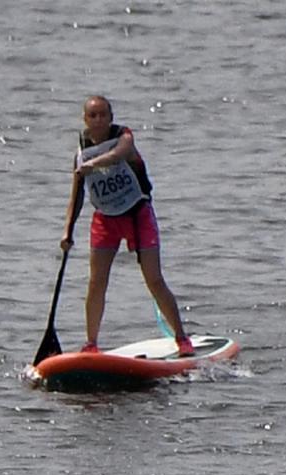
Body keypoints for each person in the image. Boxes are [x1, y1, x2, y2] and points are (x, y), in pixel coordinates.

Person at [60, 95, 193, 356]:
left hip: (137, 213)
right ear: (85, 120)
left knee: (154, 279)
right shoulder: (80, 154)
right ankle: (91, 344)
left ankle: (181, 337)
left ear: (111, 117)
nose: (98, 120)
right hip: (105, 219)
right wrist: (67, 231)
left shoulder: (125, 138)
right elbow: (76, 197)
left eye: (103, 115)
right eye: (93, 116)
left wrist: (93, 164)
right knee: (96, 282)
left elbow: (119, 154)